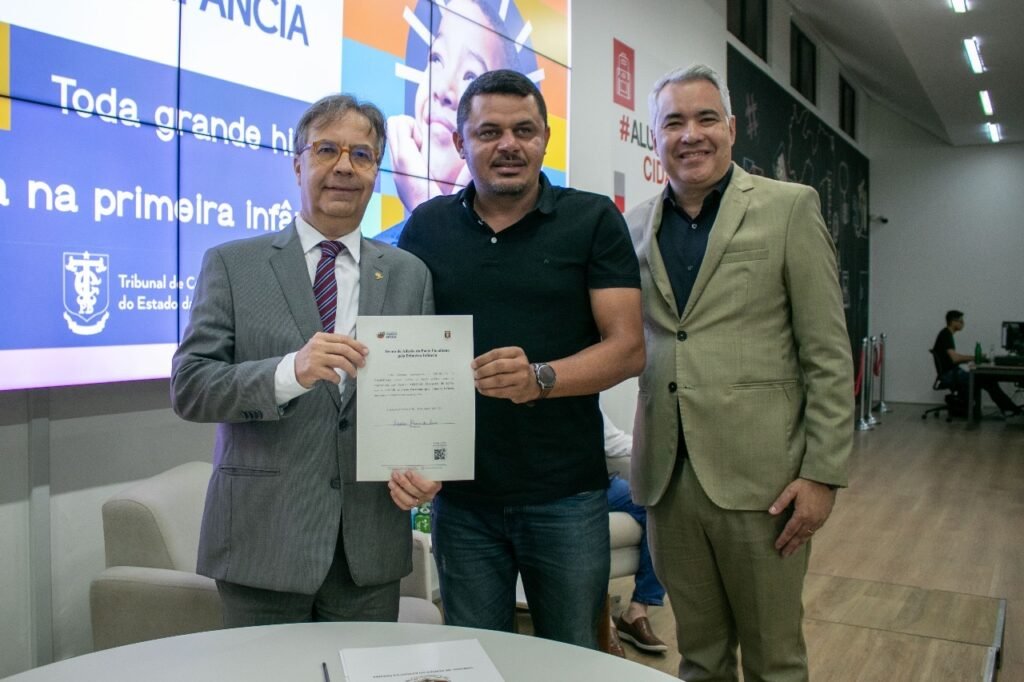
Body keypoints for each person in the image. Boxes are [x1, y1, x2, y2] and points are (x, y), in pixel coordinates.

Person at [171, 94, 441, 627]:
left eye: (361, 154)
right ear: (297, 164)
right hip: (262, 542)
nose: (344, 166)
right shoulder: (232, 265)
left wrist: (427, 468)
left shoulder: (410, 274)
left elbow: (423, 398)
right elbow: (190, 387)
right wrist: (287, 373)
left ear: (376, 172)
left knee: (362, 666)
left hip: (368, 548)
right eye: (326, 150)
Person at [399, 69, 644, 649]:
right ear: (460, 143)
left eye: (524, 130)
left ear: (545, 139)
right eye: (489, 132)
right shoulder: (428, 226)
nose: (508, 144)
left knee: (571, 659)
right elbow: (405, 351)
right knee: (477, 660)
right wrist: (407, 452)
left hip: (566, 494)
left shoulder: (592, 220)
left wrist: (541, 378)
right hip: (463, 499)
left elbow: (628, 348)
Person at [625, 64, 854, 681]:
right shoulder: (635, 226)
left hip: (764, 481)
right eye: (673, 122)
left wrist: (822, 474)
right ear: (655, 136)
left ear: (730, 127)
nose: (690, 134)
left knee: (775, 660)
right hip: (667, 480)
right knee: (699, 657)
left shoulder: (788, 208)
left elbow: (829, 355)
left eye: (706, 119)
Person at [378, 0, 518, 245]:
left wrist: (424, 203)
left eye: (471, 76)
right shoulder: (376, 252)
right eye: (437, 58)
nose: (444, 89)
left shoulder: (511, 245)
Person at [602, 409, 668, 657]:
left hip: (600, 482)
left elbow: (612, 442)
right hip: (559, 491)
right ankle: (602, 619)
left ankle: (637, 610)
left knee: (659, 506)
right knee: (583, 520)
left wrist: (659, 451)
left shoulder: (583, 393)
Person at [932, 309, 1021, 418]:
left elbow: (954, 358)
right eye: (961, 321)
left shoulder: (946, 334)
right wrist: (976, 358)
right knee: (987, 380)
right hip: (950, 375)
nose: (963, 323)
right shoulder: (946, 334)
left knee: (986, 379)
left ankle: (1009, 409)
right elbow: (955, 359)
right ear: (953, 322)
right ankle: (1010, 409)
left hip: (951, 372)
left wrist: (974, 359)